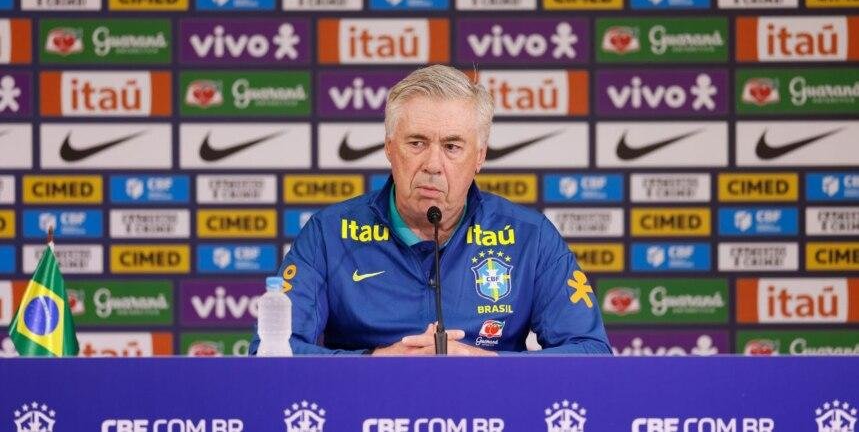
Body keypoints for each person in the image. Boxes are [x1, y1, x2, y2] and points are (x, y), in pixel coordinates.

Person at [250, 65, 611, 355]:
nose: (433, 165)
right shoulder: (328, 234)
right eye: (417, 143)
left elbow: (591, 351)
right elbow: (271, 352)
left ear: (479, 157)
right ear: (390, 148)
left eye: (452, 146)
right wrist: (374, 364)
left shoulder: (530, 236)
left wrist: (486, 364)